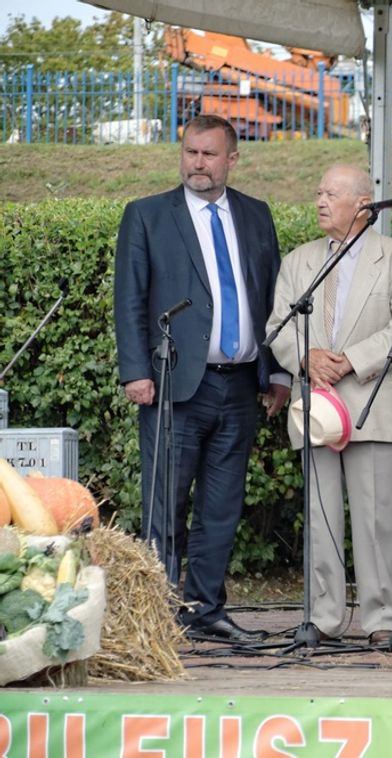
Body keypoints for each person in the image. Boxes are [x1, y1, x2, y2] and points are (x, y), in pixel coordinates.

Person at [113, 114, 290, 643]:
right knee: (165, 503)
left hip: (240, 385)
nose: (197, 163)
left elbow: (271, 298)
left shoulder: (256, 216)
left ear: (232, 159)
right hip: (173, 386)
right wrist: (136, 372)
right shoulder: (147, 215)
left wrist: (277, 371)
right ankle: (161, 615)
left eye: (209, 155)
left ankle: (206, 610)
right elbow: (129, 300)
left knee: (222, 505)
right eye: (190, 152)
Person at [267, 165, 392, 643]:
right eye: (317, 192)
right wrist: (307, 357)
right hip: (315, 405)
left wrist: (351, 361)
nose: (318, 201)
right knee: (320, 519)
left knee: (377, 520)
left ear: (362, 204)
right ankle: (324, 617)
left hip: (369, 403)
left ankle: (380, 619)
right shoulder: (300, 260)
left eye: (330, 194)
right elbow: (280, 324)